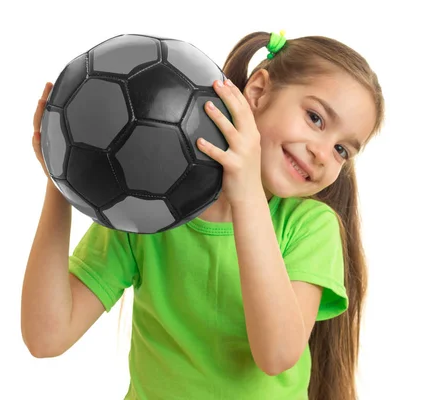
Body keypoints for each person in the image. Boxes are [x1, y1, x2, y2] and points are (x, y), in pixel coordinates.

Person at [22, 30, 385, 400]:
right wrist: (63, 174)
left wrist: (246, 197)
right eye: (315, 118)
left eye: (342, 149)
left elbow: (276, 355)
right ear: (258, 91)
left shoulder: (309, 227)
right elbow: (46, 336)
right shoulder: (148, 203)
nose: (324, 153)